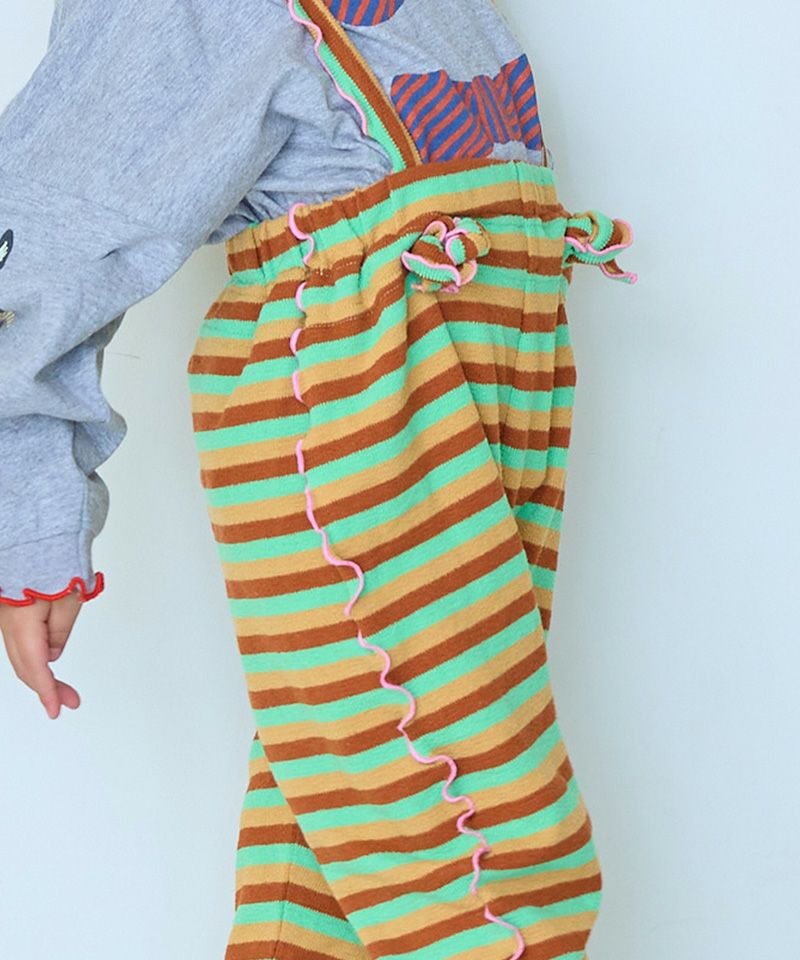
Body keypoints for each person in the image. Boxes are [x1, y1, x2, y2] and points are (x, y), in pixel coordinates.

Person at [0, 2, 636, 958]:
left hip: (481, 395)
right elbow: (50, 229)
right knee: (473, 845)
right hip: (351, 397)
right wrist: (32, 518)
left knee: (345, 864)